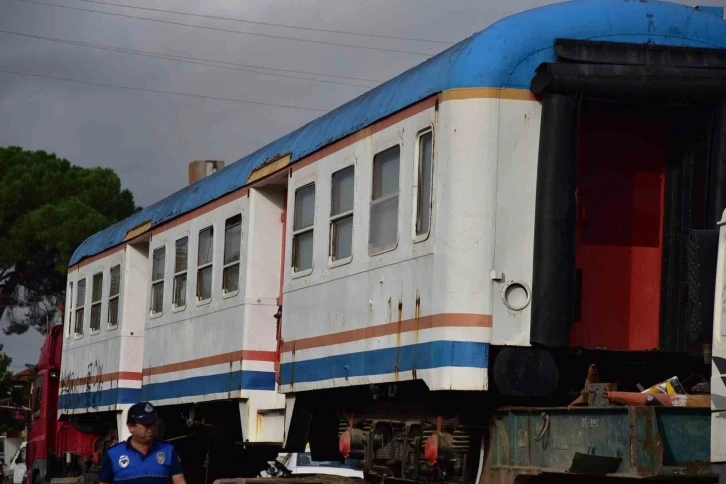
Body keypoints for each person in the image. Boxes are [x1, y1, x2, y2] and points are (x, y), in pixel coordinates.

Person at [98, 401, 186, 484]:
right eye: (146, 424)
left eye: (154, 424)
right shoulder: (113, 454)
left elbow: (179, 481)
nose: (151, 428)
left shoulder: (168, 451)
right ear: (131, 427)